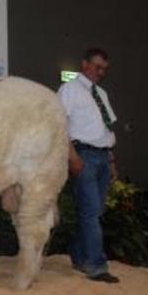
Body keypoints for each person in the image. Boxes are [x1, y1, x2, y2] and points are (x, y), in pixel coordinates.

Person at [58, 48, 120, 283]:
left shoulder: (101, 93)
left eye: (104, 69)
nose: (101, 72)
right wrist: (72, 156)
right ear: (84, 64)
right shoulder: (69, 90)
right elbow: (59, 124)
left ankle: (78, 254)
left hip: (103, 156)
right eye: (97, 67)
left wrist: (112, 160)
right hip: (83, 155)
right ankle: (96, 266)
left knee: (94, 211)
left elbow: (107, 129)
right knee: (91, 212)